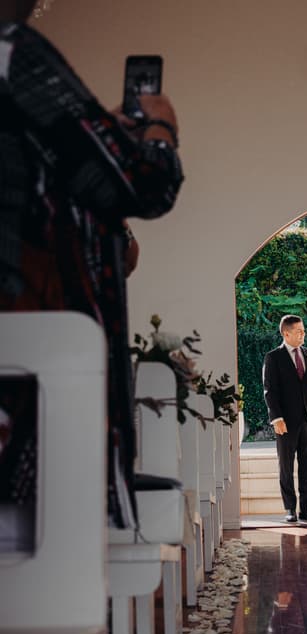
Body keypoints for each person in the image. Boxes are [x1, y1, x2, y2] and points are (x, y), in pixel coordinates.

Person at [0, 1, 184, 529]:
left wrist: (100, 140)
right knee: (52, 540)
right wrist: (160, 130)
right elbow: (146, 185)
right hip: (29, 344)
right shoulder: (13, 52)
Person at [263, 315, 307, 522]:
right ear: (286, 333)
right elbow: (270, 390)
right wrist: (276, 418)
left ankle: (306, 508)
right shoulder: (273, 357)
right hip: (285, 421)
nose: (303, 334)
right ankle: (290, 509)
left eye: (303, 330)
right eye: (299, 331)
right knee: (286, 466)